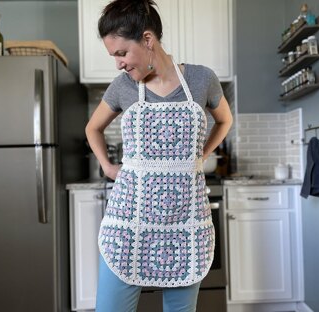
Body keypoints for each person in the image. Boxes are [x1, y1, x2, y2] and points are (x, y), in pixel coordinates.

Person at [85, 0, 233, 311]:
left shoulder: (201, 79)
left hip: (185, 223)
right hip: (129, 223)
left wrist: (201, 156)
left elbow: (225, 120)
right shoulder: (123, 86)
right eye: (114, 57)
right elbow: (92, 129)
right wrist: (108, 167)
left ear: (148, 40)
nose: (119, 64)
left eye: (122, 53)